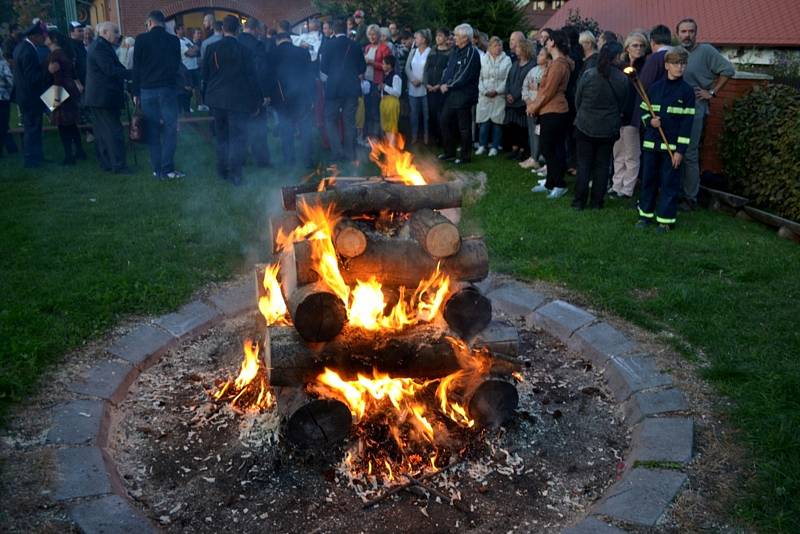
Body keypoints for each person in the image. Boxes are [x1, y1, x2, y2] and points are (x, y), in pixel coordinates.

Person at [676, 18, 734, 210]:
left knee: (690, 153)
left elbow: (728, 70)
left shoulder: (706, 51)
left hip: (695, 107)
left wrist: (712, 92)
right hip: (675, 108)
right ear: (678, 34)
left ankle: (690, 197)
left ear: (696, 33)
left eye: (690, 31)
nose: (687, 35)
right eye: (683, 31)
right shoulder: (675, 53)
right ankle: (674, 191)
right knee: (673, 151)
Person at [637, 47, 696, 233]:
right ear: (667, 65)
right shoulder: (654, 88)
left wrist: (680, 151)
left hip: (672, 148)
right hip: (651, 145)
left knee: (669, 183)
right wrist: (650, 121)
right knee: (648, 181)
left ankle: (665, 219)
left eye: (683, 64)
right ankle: (645, 215)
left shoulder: (687, 92)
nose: (680, 67)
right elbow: (643, 113)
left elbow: (687, 125)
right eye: (676, 63)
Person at [571, 42, 629, 210]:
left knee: (583, 165)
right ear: (617, 57)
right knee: (602, 166)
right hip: (608, 127)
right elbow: (623, 104)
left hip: (585, 125)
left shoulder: (589, 75)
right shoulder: (622, 79)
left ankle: (579, 202)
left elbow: (578, 99)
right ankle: (597, 202)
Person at [203, 15, 260, 184]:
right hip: (238, 100)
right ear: (238, 30)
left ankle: (222, 170)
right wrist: (256, 101)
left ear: (222, 29)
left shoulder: (211, 48)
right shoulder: (245, 51)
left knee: (221, 136)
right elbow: (252, 78)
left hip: (217, 99)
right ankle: (235, 174)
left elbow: (205, 75)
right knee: (237, 138)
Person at [133, 10, 184, 179]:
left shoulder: (140, 40)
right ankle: (167, 168)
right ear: (163, 22)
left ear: (149, 23)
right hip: (167, 89)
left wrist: (135, 92)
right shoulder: (173, 40)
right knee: (170, 129)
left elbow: (136, 68)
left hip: (147, 90)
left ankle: (157, 168)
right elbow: (176, 65)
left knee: (153, 130)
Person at [527, 30, 574, 199]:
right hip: (552, 110)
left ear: (553, 42)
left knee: (548, 148)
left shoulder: (559, 64)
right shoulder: (557, 63)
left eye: (547, 41)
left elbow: (548, 91)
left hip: (554, 111)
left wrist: (533, 107)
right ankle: (550, 182)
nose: (545, 44)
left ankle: (559, 183)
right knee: (554, 148)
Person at [85, 21, 129, 173]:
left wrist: (127, 72)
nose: (118, 35)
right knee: (112, 132)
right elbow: (110, 70)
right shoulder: (99, 47)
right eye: (115, 32)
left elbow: (115, 67)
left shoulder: (101, 46)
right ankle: (118, 164)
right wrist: (131, 74)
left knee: (102, 132)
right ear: (104, 32)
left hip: (100, 97)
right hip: (103, 97)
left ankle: (107, 163)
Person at [321, 19, 366, 162]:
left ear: (333, 31)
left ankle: (337, 152)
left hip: (333, 89)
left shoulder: (327, 45)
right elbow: (362, 68)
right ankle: (350, 153)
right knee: (349, 122)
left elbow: (323, 69)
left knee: (330, 120)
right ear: (346, 30)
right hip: (351, 89)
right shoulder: (355, 45)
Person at [610, 32, 649, 199]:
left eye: (641, 45)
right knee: (618, 153)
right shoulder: (620, 66)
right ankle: (616, 184)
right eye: (635, 45)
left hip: (633, 115)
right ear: (627, 48)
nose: (638, 48)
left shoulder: (645, 67)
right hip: (618, 114)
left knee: (632, 153)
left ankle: (627, 189)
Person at [268, 31, 315, 167]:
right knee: (305, 128)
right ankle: (307, 160)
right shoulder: (303, 52)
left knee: (286, 129)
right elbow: (310, 75)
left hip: (281, 97)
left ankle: (289, 160)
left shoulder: (272, 54)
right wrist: (311, 96)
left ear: (278, 40)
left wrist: (270, 96)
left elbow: (269, 77)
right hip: (302, 96)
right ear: (290, 39)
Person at [438, 23, 480, 164]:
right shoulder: (455, 51)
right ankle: (449, 152)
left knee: (464, 127)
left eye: (456, 35)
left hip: (464, 95)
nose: (453, 38)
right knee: (444, 121)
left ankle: (465, 156)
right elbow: (448, 69)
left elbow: (464, 74)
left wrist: (448, 85)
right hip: (451, 94)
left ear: (465, 38)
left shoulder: (472, 53)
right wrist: (443, 82)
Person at [13, 21, 50, 168]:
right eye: (42, 36)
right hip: (30, 97)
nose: (43, 38)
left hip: (26, 96)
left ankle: (37, 156)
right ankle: (31, 159)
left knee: (34, 127)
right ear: (35, 36)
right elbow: (32, 78)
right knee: (32, 129)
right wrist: (47, 69)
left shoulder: (22, 48)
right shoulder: (28, 51)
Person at [45, 29, 86, 165]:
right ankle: (79, 151)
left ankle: (69, 156)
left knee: (62, 125)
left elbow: (52, 71)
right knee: (71, 123)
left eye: (47, 37)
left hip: (58, 89)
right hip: (68, 87)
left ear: (53, 40)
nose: (45, 39)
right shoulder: (64, 52)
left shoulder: (55, 55)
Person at [238, 18, 271, 168]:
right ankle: (262, 160)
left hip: (237, 91)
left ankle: (241, 158)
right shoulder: (257, 45)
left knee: (240, 127)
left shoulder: (235, 41)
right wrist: (265, 94)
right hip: (254, 91)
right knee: (259, 127)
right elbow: (262, 71)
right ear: (255, 29)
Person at [475, 36, 510, 157]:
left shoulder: (507, 60)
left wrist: (497, 91)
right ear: (489, 47)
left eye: (500, 45)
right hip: (485, 95)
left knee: (497, 123)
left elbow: (507, 79)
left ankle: (495, 147)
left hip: (498, 96)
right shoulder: (483, 59)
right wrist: (484, 91)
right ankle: (482, 145)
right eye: (495, 45)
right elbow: (479, 77)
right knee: (484, 123)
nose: (498, 48)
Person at [503, 38, 535, 161]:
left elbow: (526, 84)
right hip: (511, 102)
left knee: (522, 128)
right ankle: (514, 149)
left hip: (522, 102)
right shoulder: (515, 63)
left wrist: (515, 96)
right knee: (512, 127)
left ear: (524, 49)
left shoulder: (532, 65)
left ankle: (523, 150)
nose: (515, 49)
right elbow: (509, 80)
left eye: (518, 47)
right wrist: (508, 93)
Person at [520, 46, 548, 170]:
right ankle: (533, 156)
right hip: (530, 107)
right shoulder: (533, 70)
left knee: (540, 133)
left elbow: (545, 92)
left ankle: (539, 157)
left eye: (541, 55)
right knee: (532, 133)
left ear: (548, 58)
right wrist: (527, 101)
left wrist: (535, 105)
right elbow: (525, 86)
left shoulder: (548, 72)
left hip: (541, 110)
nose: (538, 56)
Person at [362, 24, 392, 140]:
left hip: (377, 82)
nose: (371, 37)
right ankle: (369, 135)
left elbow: (388, 67)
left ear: (378, 35)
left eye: (374, 34)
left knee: (375, 110)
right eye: (369, 35)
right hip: (367, 82)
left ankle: (377, 136)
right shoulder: (368, 47)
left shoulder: (385, 48)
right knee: (367, 109)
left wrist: (372, 63)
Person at [424, 28, 451, 146]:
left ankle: (442, 139)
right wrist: (426, 83)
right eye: (437, 36)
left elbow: (449, 71)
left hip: (441, 89)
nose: (438, 38)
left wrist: (439, 85)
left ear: (446, 37)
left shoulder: (450, 52)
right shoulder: (432, 51)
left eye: (440, 36)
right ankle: (432, 138)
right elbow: (426, 68)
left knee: (441, 115)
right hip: (430, 88)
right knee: (431, 113)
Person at [404, 29, 431, 145]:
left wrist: (422, 80)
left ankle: (427, 136)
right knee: (414, 114)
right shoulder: (413, 51)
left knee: (426, 114)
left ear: (423, 39)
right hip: (412, 87)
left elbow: (430, 69)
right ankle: (414, 136)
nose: (415, 40)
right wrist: (412, 79)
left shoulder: (430, 51)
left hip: (425, 87)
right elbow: (407, 67)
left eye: (417, 38)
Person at [176, 24, 200, 113]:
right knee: (187, 90)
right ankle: (187, 107)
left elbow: (196, 49)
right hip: (187, 68)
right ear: (177, 30)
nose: (184, 30)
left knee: (196, 87)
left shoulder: (186, 39)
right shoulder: (178, 41)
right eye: (182, 29)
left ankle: (199, 105)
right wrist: (193, 50)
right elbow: (189, 53)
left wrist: (193, 50)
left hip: (194, 66)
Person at [379, 55, 402, 145]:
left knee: (391, 126)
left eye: (384, 64)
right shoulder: (386, 76)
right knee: (386, 126)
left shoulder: (395, 77)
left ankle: (392, 147)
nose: (382, 65)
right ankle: (389, 146)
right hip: (384, 102)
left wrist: (385, 87)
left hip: (392, 102)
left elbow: (397, 92)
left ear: (389, 65)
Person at [0, 53, 13, 158]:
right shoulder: (3, 63)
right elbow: (9, 80)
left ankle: (11, 147)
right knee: (3, 124)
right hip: (2, 97)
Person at [68, 22, 87, 88]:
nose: (82, 33)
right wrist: (77, 82)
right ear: (72, 33)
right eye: (79, 31)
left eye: (83, 31)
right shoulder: (70, 46)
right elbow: (71, 67)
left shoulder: (81, 44)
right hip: (78, 85)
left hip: (85, 82)